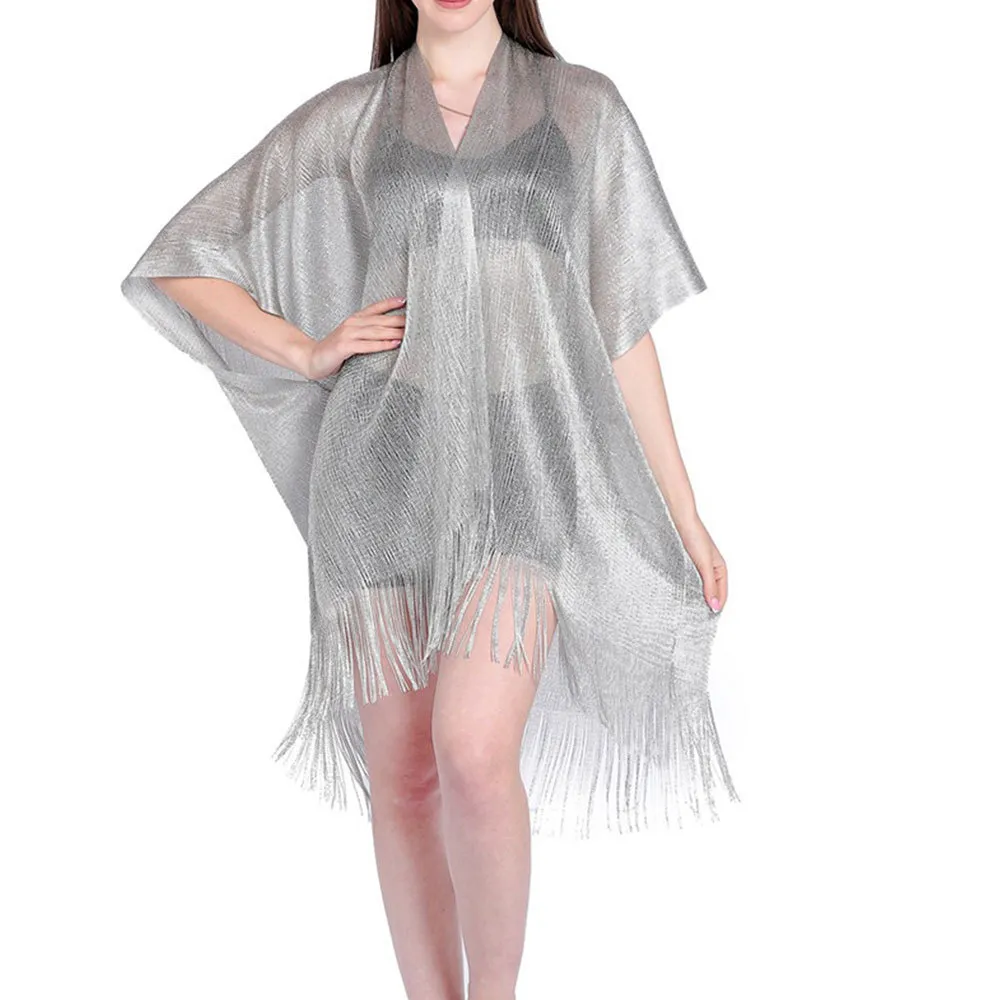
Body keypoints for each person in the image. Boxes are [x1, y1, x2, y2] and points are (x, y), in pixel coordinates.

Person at [121, 2, 738, 997]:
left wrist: (686, 510)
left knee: (473, 749)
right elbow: (186, 255)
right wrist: (305, 349)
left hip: (522, 465)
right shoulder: (357, 117)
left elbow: (619, 323)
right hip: (380, 468)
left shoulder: (581, 107)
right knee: (405, 776)